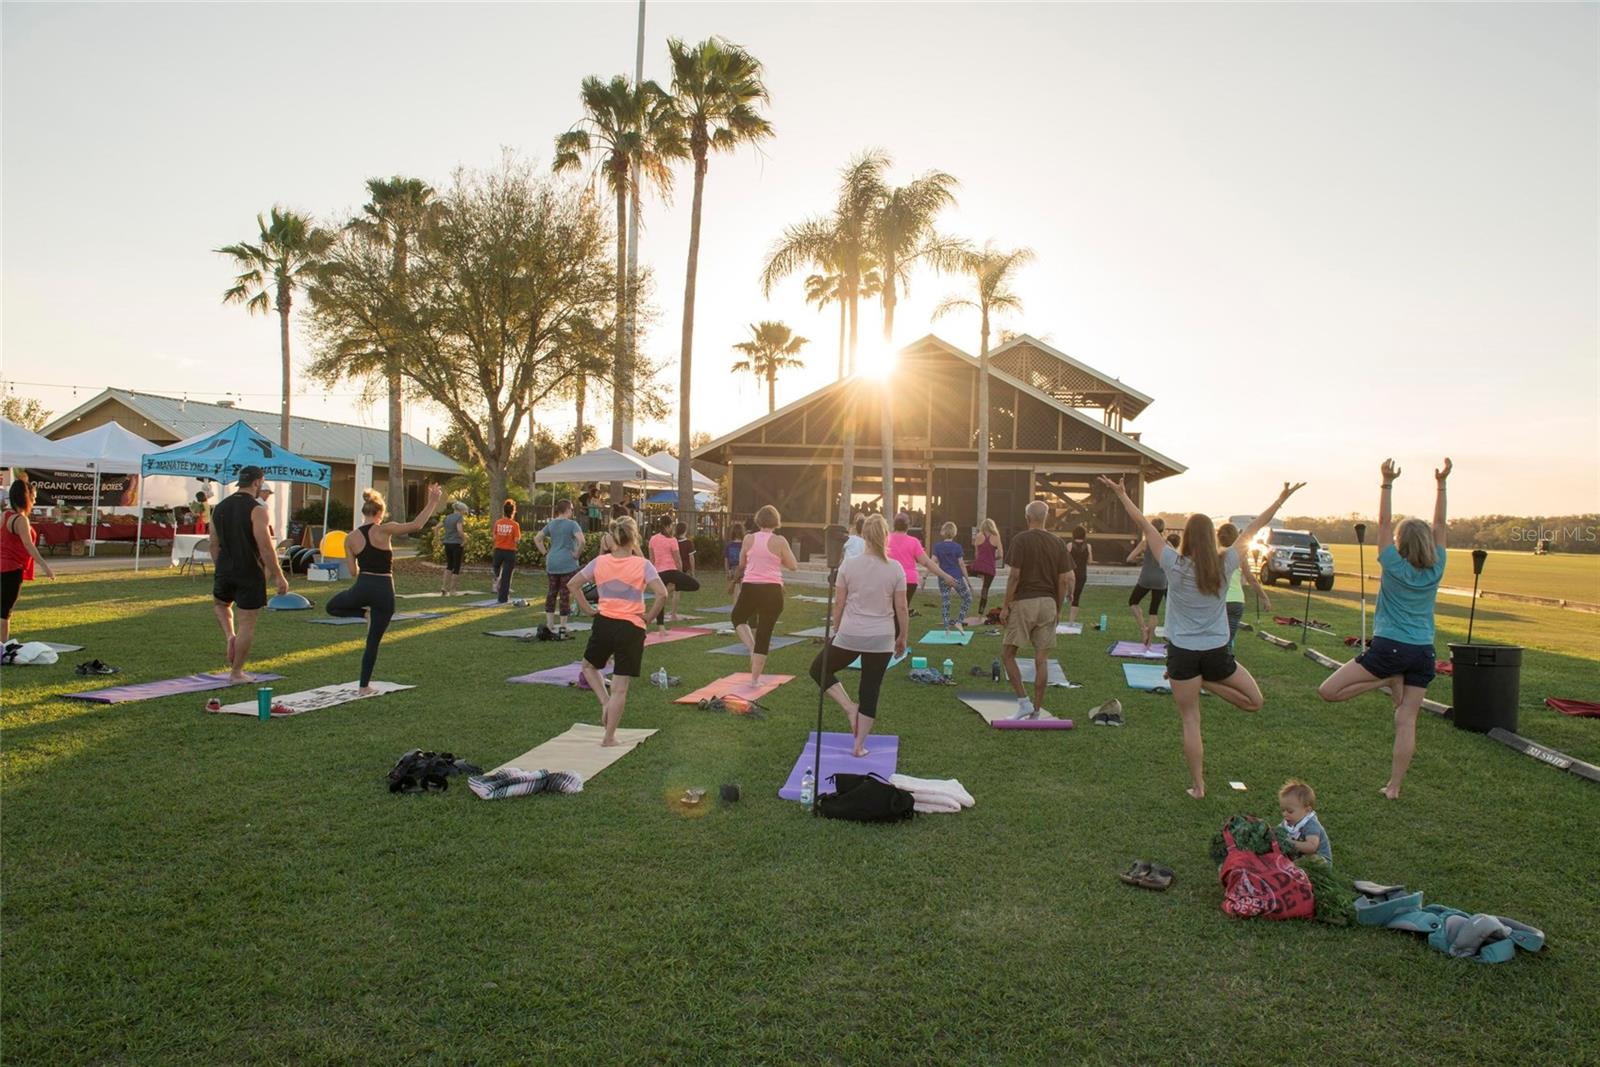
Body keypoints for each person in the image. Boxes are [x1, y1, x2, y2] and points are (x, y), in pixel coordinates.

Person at [1101, 475, 1304, 799]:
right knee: (1255, 702)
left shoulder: (1174, 562)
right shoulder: (1225, 563)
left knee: (1191, 720)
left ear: (1186, 539)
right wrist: (1280, 500)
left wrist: (1122, 494)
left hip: (1182, 657)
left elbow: (1143, 523)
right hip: (1215, 653)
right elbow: (1253, 528)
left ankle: (1198, 786)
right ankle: (1203, 692)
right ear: (1211, 538)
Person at [1317, 458, 1452, 800]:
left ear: (1400, 543)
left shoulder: (1393, 565)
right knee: (1406, 720)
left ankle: (1386, 679)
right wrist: (1441, 484)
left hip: (1390, 649)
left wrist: (1386, 482)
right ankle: (1394, 787)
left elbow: (1382, 521)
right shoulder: (1436, 569)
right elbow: (1441, 524)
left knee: (1327, 691)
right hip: (1423, 653)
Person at [327, 485, 443, 693]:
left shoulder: (350, 538)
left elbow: (353, 572)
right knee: (373, 642)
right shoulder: (384, 529)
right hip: (383, 589)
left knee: (332, 607)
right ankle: (364, 686)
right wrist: (433, 501)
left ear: (364, 512)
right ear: (379, 513)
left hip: (362, 586)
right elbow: (416, 524)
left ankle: (364, 613)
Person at [810, 514, 908, 757]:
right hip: (881, 637)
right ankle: (858, 746)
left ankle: (848, 707)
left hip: (851, 634)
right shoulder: (895, 568)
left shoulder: (849, 564)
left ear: (863, 536)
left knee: (818, 668)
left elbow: (839, 602)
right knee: (870, 688)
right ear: (886, 536)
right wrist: (902, 637)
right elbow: (902, 608)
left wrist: (836, 627)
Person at [569, 516, 671, 747]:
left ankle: (606, 703)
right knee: (620, 687)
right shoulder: (643, 564)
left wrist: (586, 608)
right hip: (631, 628)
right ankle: (609, 737)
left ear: (614, 537)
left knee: (588, 667)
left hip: (604, 623)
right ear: (634, 539)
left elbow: (573, 584)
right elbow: (662, 593)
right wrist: (650, 617)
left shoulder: (600, 561)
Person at [209, 466, 290, 683]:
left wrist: (222, 567)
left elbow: (213, 545)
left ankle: (230, 637)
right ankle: (236, 672)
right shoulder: (257, 509)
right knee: (247, 622)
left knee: (221, 605)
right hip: (249, 570)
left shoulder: (219, 508)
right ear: (256, 483)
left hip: (224, 568)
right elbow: (265, 547)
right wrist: (278, 575)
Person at [999, 501, 1073, 720]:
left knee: (1008, 654)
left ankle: (1024, 702)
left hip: (1025, 603)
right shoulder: (1058, 542)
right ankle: (1037, 710)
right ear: (1046, 517)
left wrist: (1005, 606)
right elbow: (1064, 580)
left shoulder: (1021, 540)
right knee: (1041, 659)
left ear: (1027, 517)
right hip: (1048, 603)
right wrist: (1057, 608)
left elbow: (1014, 576)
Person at [728, 505, 798, 684]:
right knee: (764, 634)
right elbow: (793, 565)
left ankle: (752, 647)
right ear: (776, 521)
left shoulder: (748, 538)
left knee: (738, 617)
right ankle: (754, 679)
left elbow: (742, 563)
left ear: (758, 520)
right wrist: (777, 559)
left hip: (751, 587)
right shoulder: (780, 541)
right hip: (772, 590)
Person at [2, 479, 55, 645]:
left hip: (3, 565)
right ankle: (3, 647)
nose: (35, 501)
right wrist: (45, 566)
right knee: (5, 611)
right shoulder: (21, 520)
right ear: (26, 498)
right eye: (33, 497)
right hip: (11, 568)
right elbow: (28, 545)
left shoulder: (5, 514)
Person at [886, 512, 956, 618]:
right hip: (909, 580)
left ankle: (896, 633)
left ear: (894, 525)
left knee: (891, 611)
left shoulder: (886, 540)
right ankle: (901, 633)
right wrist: (945, 576)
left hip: (891, 579)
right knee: (902, 609)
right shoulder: (913, 542)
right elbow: (927, 562)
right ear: (908, 526)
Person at [535, 499, 585, 635]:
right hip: (567, 562)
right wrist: (577, 554)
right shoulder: (572, 525)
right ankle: (563, 625)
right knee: (564, 593)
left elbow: (537, 539)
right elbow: (582, 541)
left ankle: (549, 624)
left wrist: (545, 553)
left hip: (552, 561)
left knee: (552, 592)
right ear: (568, 510)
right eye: (572, 509)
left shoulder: (551, 524)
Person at [1217, 522, 1271, 648]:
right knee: (1229, 640)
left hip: (1218, 601)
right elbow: (1251, 579)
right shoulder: (1240, 556)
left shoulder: (1215, 555)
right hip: (1236, 601)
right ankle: (1228, 662)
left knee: (1216, 639)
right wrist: (1264, 597)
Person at [649, 515, 701, 624]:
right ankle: (672, 588)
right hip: (672, 571)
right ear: (668, 526)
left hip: (659, 572)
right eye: (671, 525)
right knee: (695, 585)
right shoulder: (672, 540)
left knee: (660, 598)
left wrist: (653, 574)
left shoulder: (653, 539)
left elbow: (652, 559)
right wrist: (680, 573)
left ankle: (661, 626)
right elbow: (677, 560)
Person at [1125, 517, 1168, 647]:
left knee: (1133, 602)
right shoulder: (1166, 544)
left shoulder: (1146, 542)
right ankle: (1149, 642)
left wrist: (1143, 559)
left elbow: (1129, 558)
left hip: (1146, 578)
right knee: (1153, 611)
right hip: (1161, 580)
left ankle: (1143, 628)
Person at [1278, 779, 1333, 864]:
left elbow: (1311, 847)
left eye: (1290, 811)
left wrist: (1290, 843)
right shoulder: (1288, 822)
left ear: (1307, 810)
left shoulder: (1311, 825)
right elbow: (1277, 833)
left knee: (1314, 860)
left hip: (1318, 861)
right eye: (1283, 810)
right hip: (1299, 857)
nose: (1285, 814)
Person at [932, 522, 972, 634]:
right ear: (954, 533)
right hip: (957, 577)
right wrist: (968, 581)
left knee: (946, 601)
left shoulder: (937, 546)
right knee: (967, 598)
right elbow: (961, 564)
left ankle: (946, 627)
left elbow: (932, 562)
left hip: (943, 578)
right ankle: (959, 622)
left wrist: (925, 577)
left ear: (943, 532)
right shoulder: (957, 547)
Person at [491, 499, 521, 604]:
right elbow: (517, 539)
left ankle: (496, 581)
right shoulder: (515, 525)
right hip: (509, 552)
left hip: (498, 550)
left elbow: (494, 536)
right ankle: (503, 598)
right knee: (506, 576)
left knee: (496, 569)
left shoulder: (498, 523)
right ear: (513, 512)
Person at [972, 518, 1002, 615]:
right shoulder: (996, 537)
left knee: (967, 570)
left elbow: (976, 555)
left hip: (978, 567)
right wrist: (993, 558)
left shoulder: (978, 536)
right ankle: (980, 612)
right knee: (985, 590)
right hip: (989, 568)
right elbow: (1001, 555)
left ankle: (980, 576)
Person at [439, 501, 468, 595]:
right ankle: (453, 590)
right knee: (456, 567)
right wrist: (465, 539)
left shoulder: (447, 517)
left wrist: (437, 539)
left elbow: (436, 528)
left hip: (447, 543)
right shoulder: (459, 517)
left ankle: (444, 587)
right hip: (456, 544)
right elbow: (459, 530)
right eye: (464, 511)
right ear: (461, 510)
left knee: (449, 565)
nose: (465, 513)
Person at [1066, 525, 1094, 624]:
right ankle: (1071, 622)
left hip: (1070, 574)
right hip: (1082, 574)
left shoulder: (1069, 545)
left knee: (1066, 595)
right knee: (1076, 597)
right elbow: (1090, 561)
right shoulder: (1088, 546)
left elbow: (1064, 560)